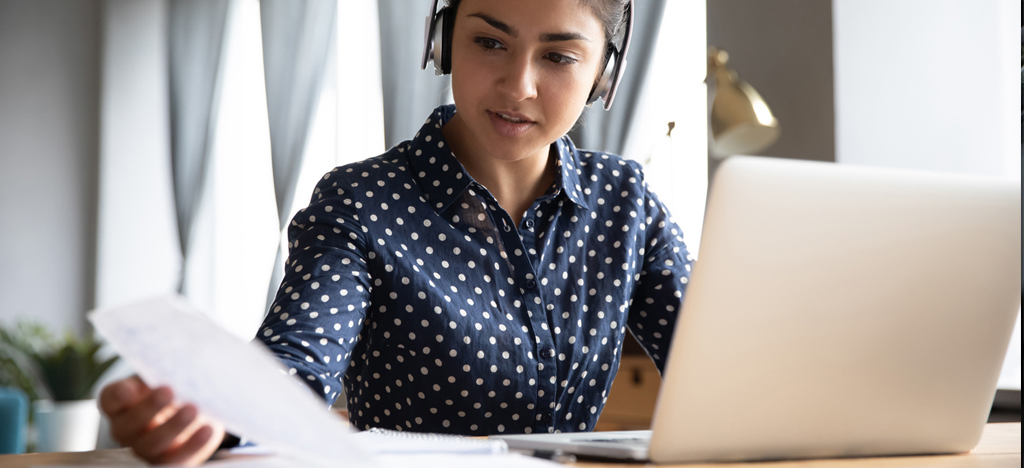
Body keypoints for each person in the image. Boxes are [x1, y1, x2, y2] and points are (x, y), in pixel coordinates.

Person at [99, 0, 693, 465]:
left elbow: (714, 361)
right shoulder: (360, 202)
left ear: (603, 74)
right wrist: (215, 410)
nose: (518, 86)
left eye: (559, 57)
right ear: (443, 42)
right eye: (489, 42)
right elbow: (296, 365)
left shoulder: (626, 202)